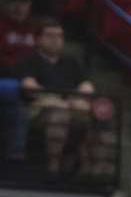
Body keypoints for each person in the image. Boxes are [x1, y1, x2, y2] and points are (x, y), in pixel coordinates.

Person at [15, 20, 97, 174]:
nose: (55, 39)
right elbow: (30, 86)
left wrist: (72, 101)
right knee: (59, 112)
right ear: (38, 40)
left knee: (91, 112)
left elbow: (88, 87)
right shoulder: (29, 61)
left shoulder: (71, 62)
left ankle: (89, 169)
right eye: (50, 35)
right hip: (39, 110)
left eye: (59, 36)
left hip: (71, 108)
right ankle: (54, 167)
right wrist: (61, 101)